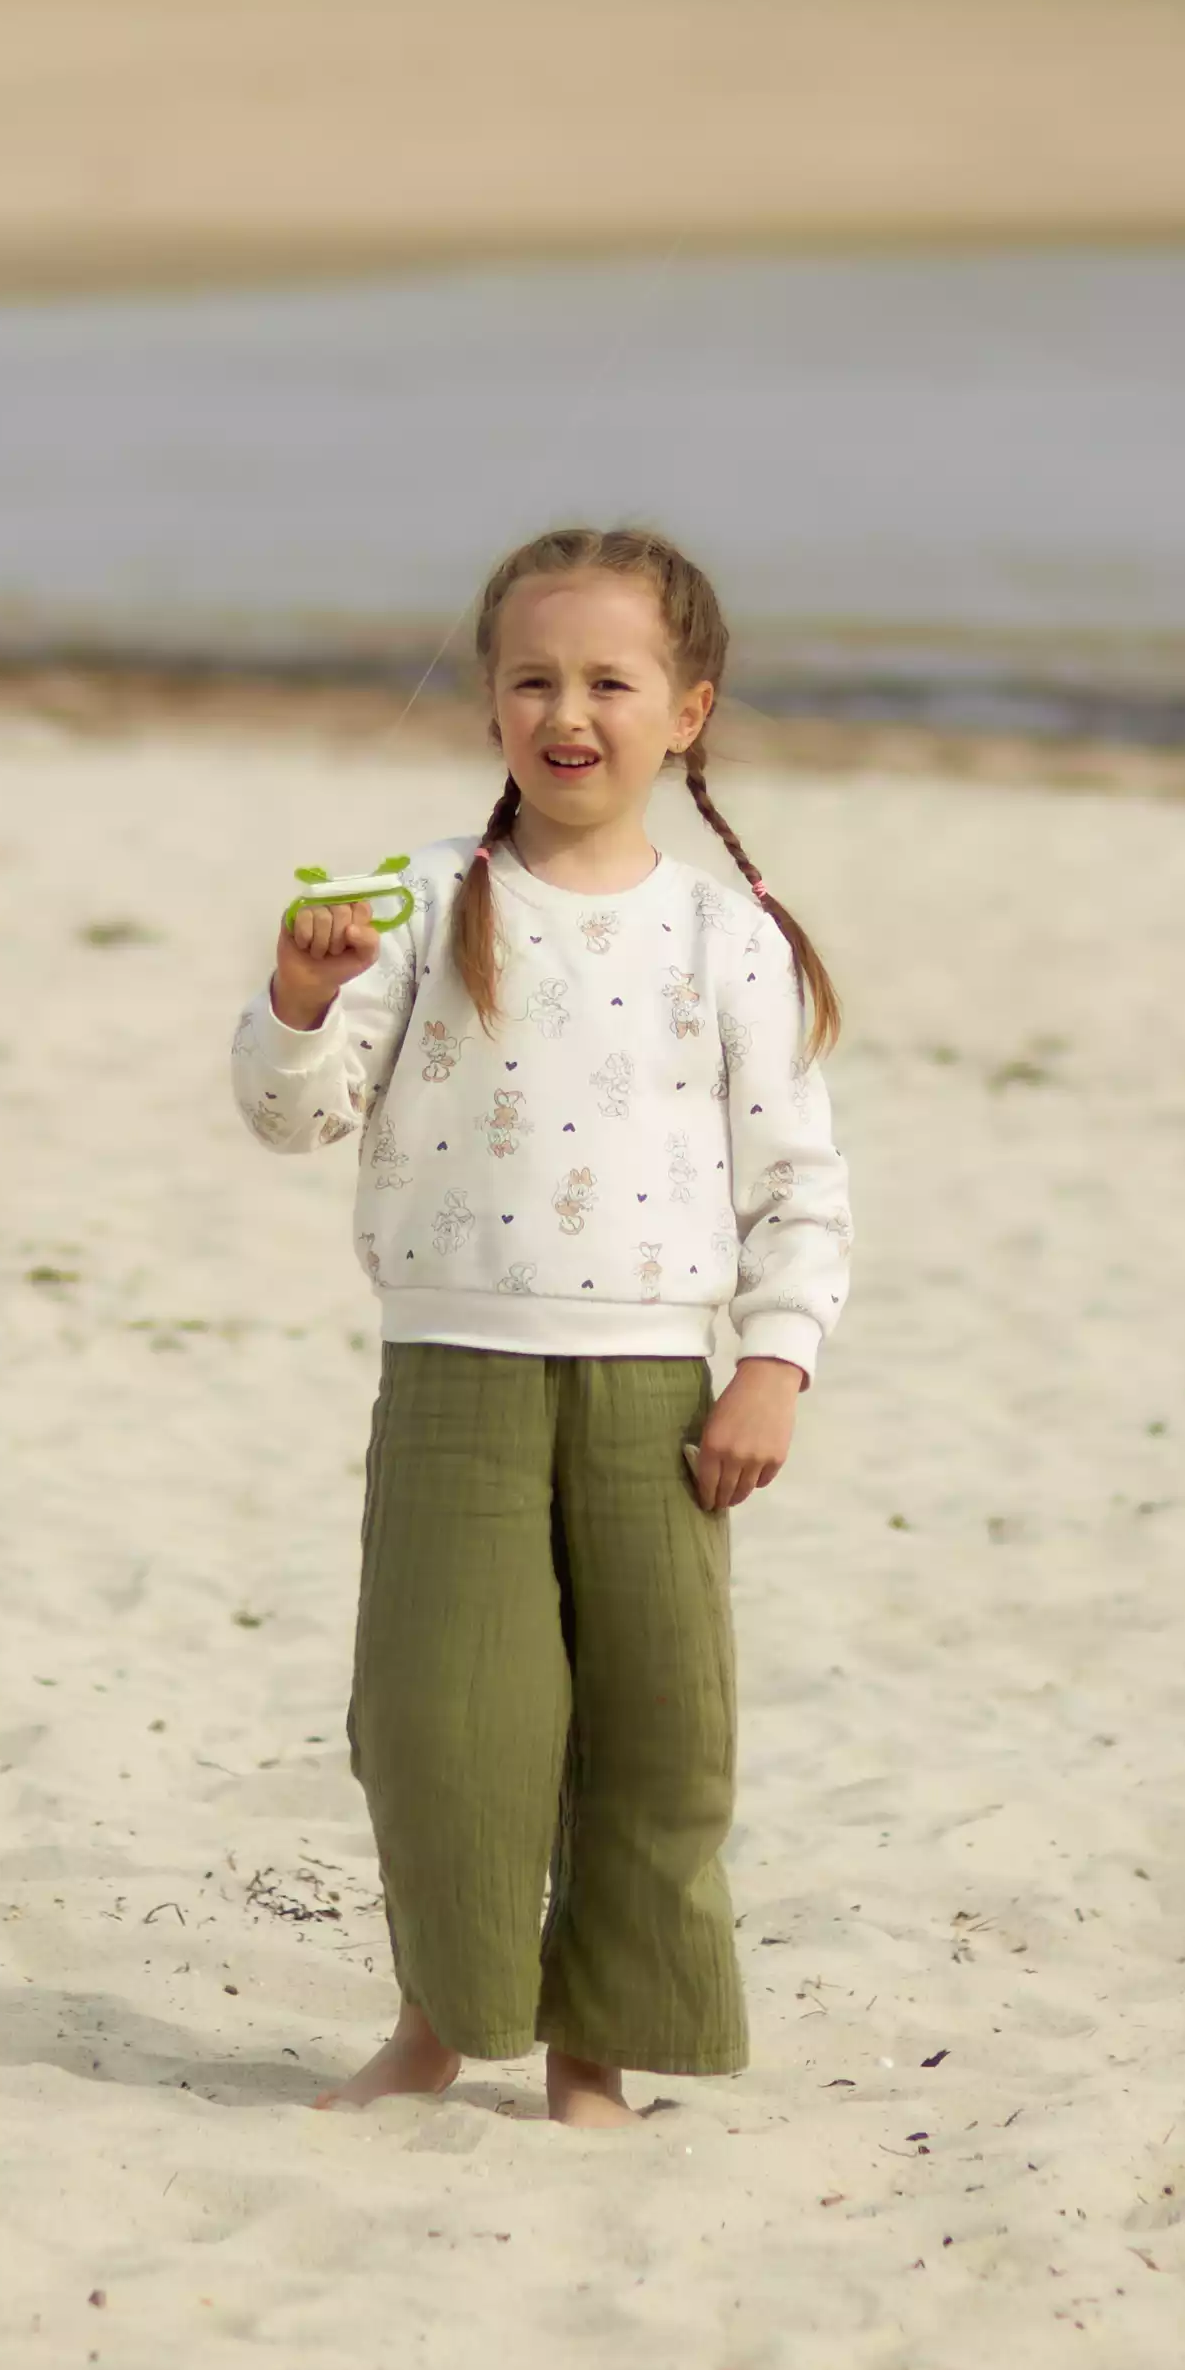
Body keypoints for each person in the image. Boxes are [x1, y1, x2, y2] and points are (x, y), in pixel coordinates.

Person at [235, 525, 855, 2127]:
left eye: (608, 679)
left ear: (687, 708)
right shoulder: (428, 897)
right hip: (455, 1369)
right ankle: (438, 2022)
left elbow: (797, 1179)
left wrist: (771, 1367)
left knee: (657, 1737)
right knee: (446, 1721)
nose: (565, 709)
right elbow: (295, 1117)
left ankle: (597, 2054)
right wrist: (299, 1002)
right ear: (491, 701)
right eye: (530, 676)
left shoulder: (726, 937)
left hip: (660, 1380)